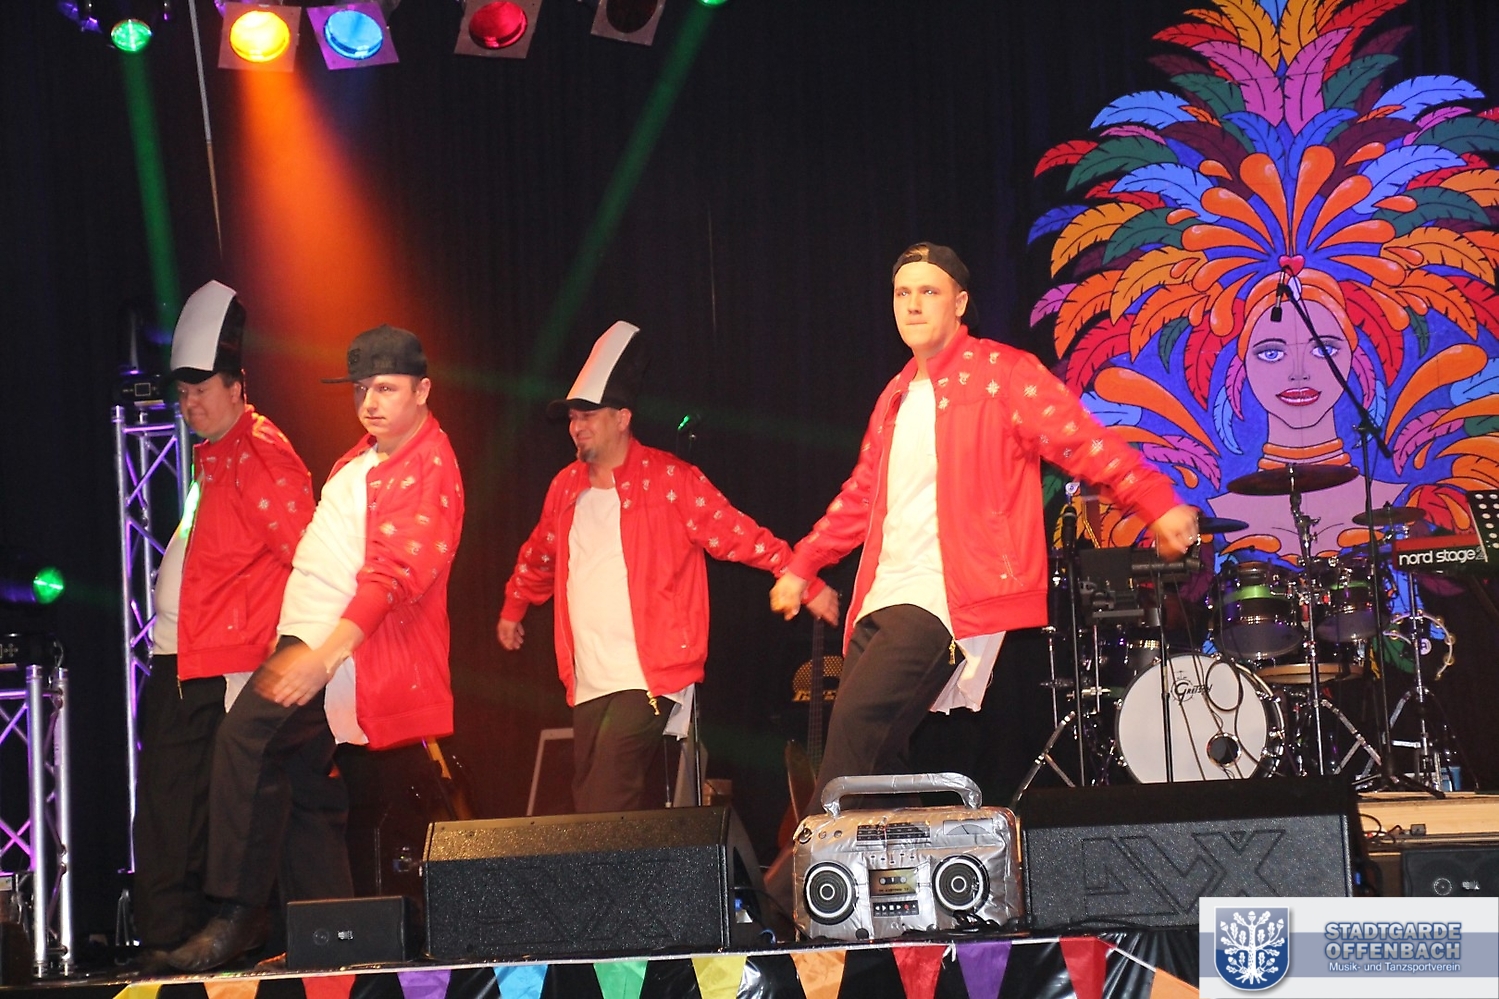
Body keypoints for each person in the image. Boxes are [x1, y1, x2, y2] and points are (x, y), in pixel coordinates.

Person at [769, 243, 1199, 807]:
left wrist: (1155, 500)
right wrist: (802, 565)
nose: (913, 305)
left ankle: (809, 864)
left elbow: (1082, 440)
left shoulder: (1003, 372)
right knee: (877, 764)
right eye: (902, 293)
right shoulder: (895, 395)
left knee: (853, 745)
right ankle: (898, 860)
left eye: (929, 292)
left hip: (948, 595)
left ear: (959, 303)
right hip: (882, 593)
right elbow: (862, 496)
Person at [168, 325, 465, 973]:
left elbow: (394, 573)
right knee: (304, 789)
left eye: (385, 389)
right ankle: (328, 936)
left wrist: (324, 654)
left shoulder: (428, 464)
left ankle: (236, 913)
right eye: (361, 389)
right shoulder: (370, 453)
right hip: (308, 639)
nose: (369, 402)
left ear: (422, 390)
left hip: (335, 647)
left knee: (244, 740)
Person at [497, 322, 838, 813]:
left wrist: (804, 581)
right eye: (573, 417)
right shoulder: (566, 487)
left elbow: (740, 534)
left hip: (648, 675)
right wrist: (515, 605)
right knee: (589, 796)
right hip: (588, 676)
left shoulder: (670, 480)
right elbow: (541, 553)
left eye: (588, 415)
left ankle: (604, 867)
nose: (577, 426)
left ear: (622, 418)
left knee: (606, 796)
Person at [133, 281, 313, 969]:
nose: (189, 404)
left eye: (201, 390)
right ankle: (169, 933)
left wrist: (284, 651)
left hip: (222, 659)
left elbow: (304, 554)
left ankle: (186, 934)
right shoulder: (216, 453)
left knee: (189, 805)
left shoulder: (259, 451)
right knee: (174, 803)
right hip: (188, 655)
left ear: (238, 386)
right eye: (182, 394)